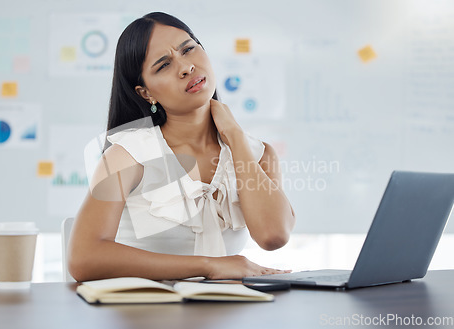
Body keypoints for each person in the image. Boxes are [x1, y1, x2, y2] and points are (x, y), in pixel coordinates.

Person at [68, 12, 296, 282]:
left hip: (225, 315)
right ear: (146, 93)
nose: (186, 67)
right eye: (163, 65)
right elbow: (83, 258)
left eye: (188, 49)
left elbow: (273, 236)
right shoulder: (127, 155)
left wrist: (234, 136)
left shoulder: (258, 154)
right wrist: (208, 266)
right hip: (146, 316)